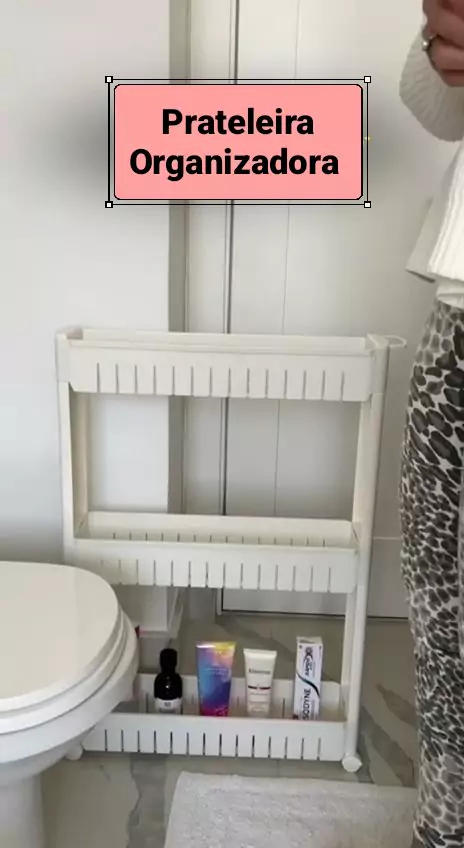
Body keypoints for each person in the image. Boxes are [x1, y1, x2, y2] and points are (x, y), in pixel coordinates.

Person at [399, 2, 464, 846]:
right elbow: (434, 106)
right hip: (457, 310)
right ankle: (442, 826)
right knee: (437, 605)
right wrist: (439, 37)